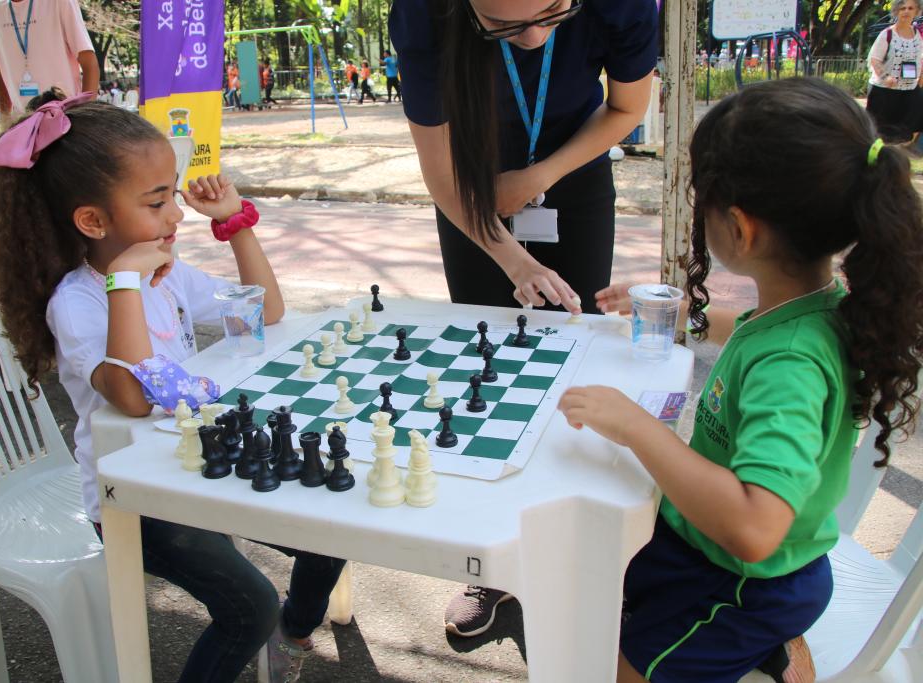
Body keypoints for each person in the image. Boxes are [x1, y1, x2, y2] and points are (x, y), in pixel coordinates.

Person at [561, 78, 923, 683]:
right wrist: (680, 314)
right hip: (709, 546)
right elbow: (755, 329)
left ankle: (762, 642)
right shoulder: (812, 304)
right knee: (596, 575)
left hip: (744, 582)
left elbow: (755, 528)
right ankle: (766, 651)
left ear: (739, 226)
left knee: (616, 666)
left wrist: (636, 428)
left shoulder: (792, 364)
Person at [0, 96, 346, 683]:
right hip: (131, 493)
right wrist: (125, 280)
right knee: (246, 607)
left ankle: (294, 634)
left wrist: (233, 224)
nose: (175, 215)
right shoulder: (77, 302)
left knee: (330, 522)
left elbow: (266, 313)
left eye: (172, 194)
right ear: (93, 221)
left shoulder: (167, 272)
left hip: (197, 460)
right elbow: (131, 395)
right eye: (156, 202)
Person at [391, 0, 657, 637]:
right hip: (470, 191)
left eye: (553, 12)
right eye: (505, 27)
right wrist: (510, 256)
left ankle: (586, 544)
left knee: (580, 356)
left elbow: (627, 107)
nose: (535, 38)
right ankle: (491, 563)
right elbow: (442, 173)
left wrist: (540, 174)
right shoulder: (424, 14)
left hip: (574, 175)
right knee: (488, 371)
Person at [0, 0, 99, 115]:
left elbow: (89, 63)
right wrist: (6, 122)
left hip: (68, 116)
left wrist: (84, 114)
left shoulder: (60, 2)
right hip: (24, 122)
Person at [867, 0, 923, 143]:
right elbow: (874, 59)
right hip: (884, 92)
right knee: (880, 134)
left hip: (908, 91)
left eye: (910, 8)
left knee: (904, 134)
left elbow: (919, 59)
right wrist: (886, 77)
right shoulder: (887, 35)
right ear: (896, 11)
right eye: (902, 8)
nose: (906, 11)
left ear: (916, 11)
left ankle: (899, 161)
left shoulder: (918, 35)